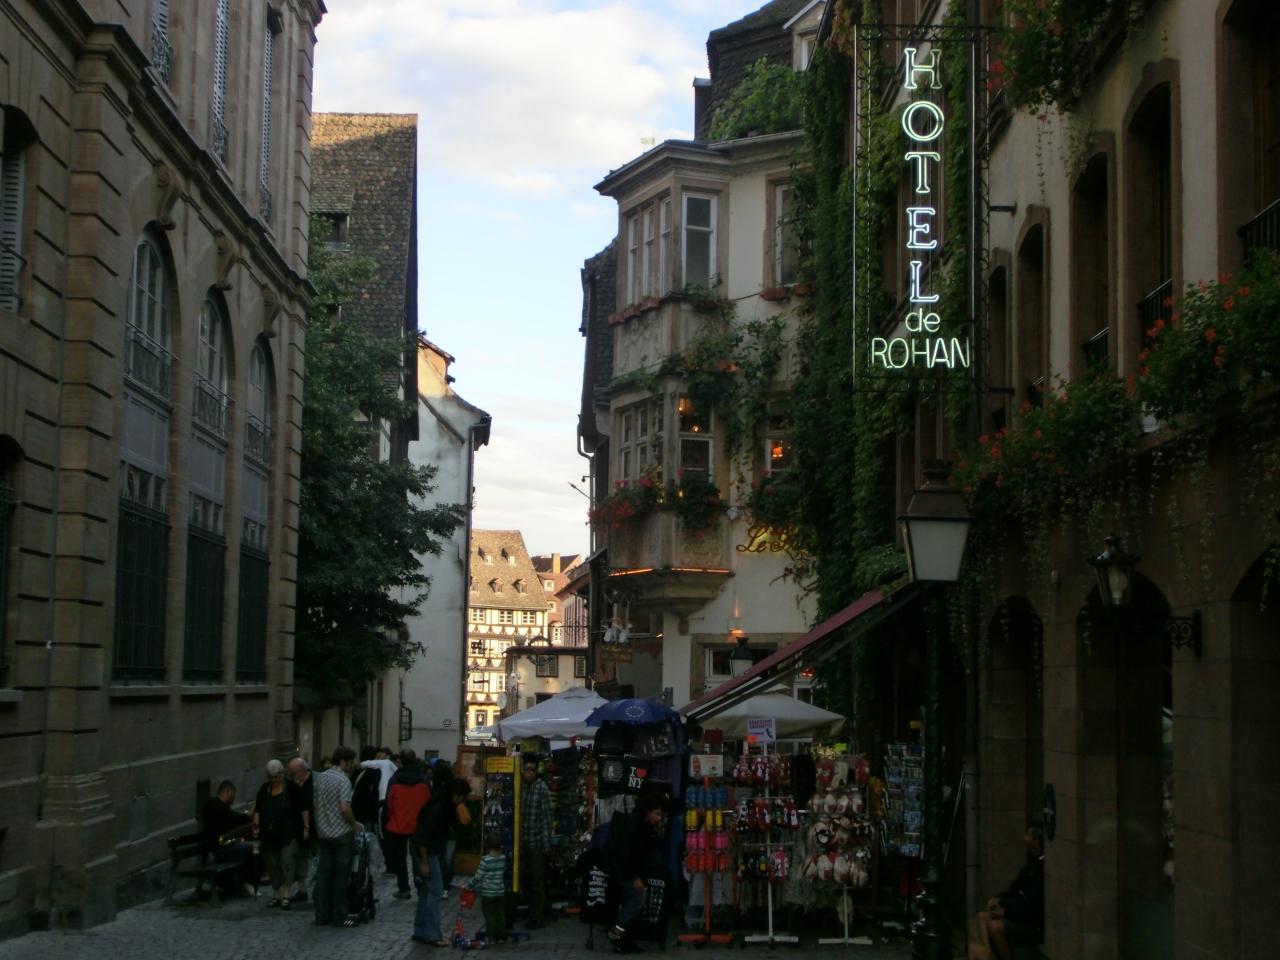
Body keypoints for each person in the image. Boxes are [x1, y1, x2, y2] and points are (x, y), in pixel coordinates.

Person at [969, 825, 1045, 960]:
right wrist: (998, 900)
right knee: (981, 917)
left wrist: (1006, 909)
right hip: (1018, 912)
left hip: (1032, 922)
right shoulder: (1030, 865)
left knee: (995, 927)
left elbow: (1031, 904)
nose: (1024, 838)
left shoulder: (1041, 868)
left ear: (1036, 841)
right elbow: (1015, 889)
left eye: (1028, 835)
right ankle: (986, 955)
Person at [412, 779, 471, 946]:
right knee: (436, 891)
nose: (462, 801)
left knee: (426, 891)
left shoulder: (441, 805)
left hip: (426, 850)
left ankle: (421, 931)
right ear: (456, 795)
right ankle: (432, 934)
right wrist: (424, 863)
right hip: (426, 852)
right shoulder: (439, 809)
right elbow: (425, 837)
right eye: (462, 797)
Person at [607, 793, 667, 954]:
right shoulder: (634, 824)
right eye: (657, 814)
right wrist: (635, 877)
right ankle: (617, 931)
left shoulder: (645, 825)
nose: (659, 818)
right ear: (648, 811)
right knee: (638, 897)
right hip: (621, 871)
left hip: (629, 870)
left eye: (661, 814)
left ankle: (623, 935)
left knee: (635, 898)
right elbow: (625, 854)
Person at [312, 746, 364, 927]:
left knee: (323, 875)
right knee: (341, 876)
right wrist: (354, 824)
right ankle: (340, 915)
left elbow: (316, 805)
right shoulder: (343, 780)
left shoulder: (320, 777)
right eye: (350, 762)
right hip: (341, 834)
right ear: (343, 762)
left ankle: (321, 914)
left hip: (323, 833)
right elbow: (344, 808)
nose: (351, 766)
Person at [253, 759, 301, 909]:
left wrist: (305, 827)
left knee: (287, 862)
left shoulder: (291, 788)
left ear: (282, 774)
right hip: (269, 834)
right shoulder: (264, 789)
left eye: (277, 777)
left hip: (288, 833)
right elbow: (257, 810)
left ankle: (287, 893)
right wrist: (256, 826)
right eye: (271, 777)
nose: (274, 780)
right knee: (273, 865)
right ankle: (276, 893)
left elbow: (302, 808)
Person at [385, 751, 431, 899]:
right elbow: (429, 802)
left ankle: (403, 888)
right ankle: (420, 884)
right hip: (419, 824)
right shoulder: (424, 779)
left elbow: (389, 803)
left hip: (399, 823)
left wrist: (393, 816)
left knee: (400, 858)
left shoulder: (394, 779)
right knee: (417, 855)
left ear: (401, 761)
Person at [201, 779, 256, 896]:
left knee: (249, 847)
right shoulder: (217, 806)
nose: (233, 798)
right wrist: (248, 816)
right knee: (253, 849)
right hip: (221, 847)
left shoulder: (216, 805)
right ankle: (246, 883)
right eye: (233, 795)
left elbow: (232, 820)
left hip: (222, 845)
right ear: (228, 792)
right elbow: (234, 820)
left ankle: (238, 882)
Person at [518, 756, 552, 929]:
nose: (529, 773)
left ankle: (537, 917)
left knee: (537, 881)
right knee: (523, 879)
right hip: (521, 843)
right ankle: (526, 909)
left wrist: (546, 845)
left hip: (536, 842)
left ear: (536, 771)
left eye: (532, 770)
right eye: (526, 769)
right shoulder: (520, 787)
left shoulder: (542, 788)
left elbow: (547, 819)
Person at [468, 831, 508, 944]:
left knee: (489, 916)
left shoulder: (485, 860)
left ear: (487, 845)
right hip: (500, 892)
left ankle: (491, 937)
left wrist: (470, 884)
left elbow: (478, 876)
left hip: (487, 893)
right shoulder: (503, 858)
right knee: (500, 915)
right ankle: (501, 937)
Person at [286, 757, 315, 902]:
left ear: (301, 771)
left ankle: (315, 890)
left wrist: (307, 827)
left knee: (314, 859)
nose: (291, 776)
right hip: (298, 829)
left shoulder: (314, 783)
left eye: (293, 773)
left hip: (314, 828)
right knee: (300, 858)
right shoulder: (295, 785)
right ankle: (302, 889)